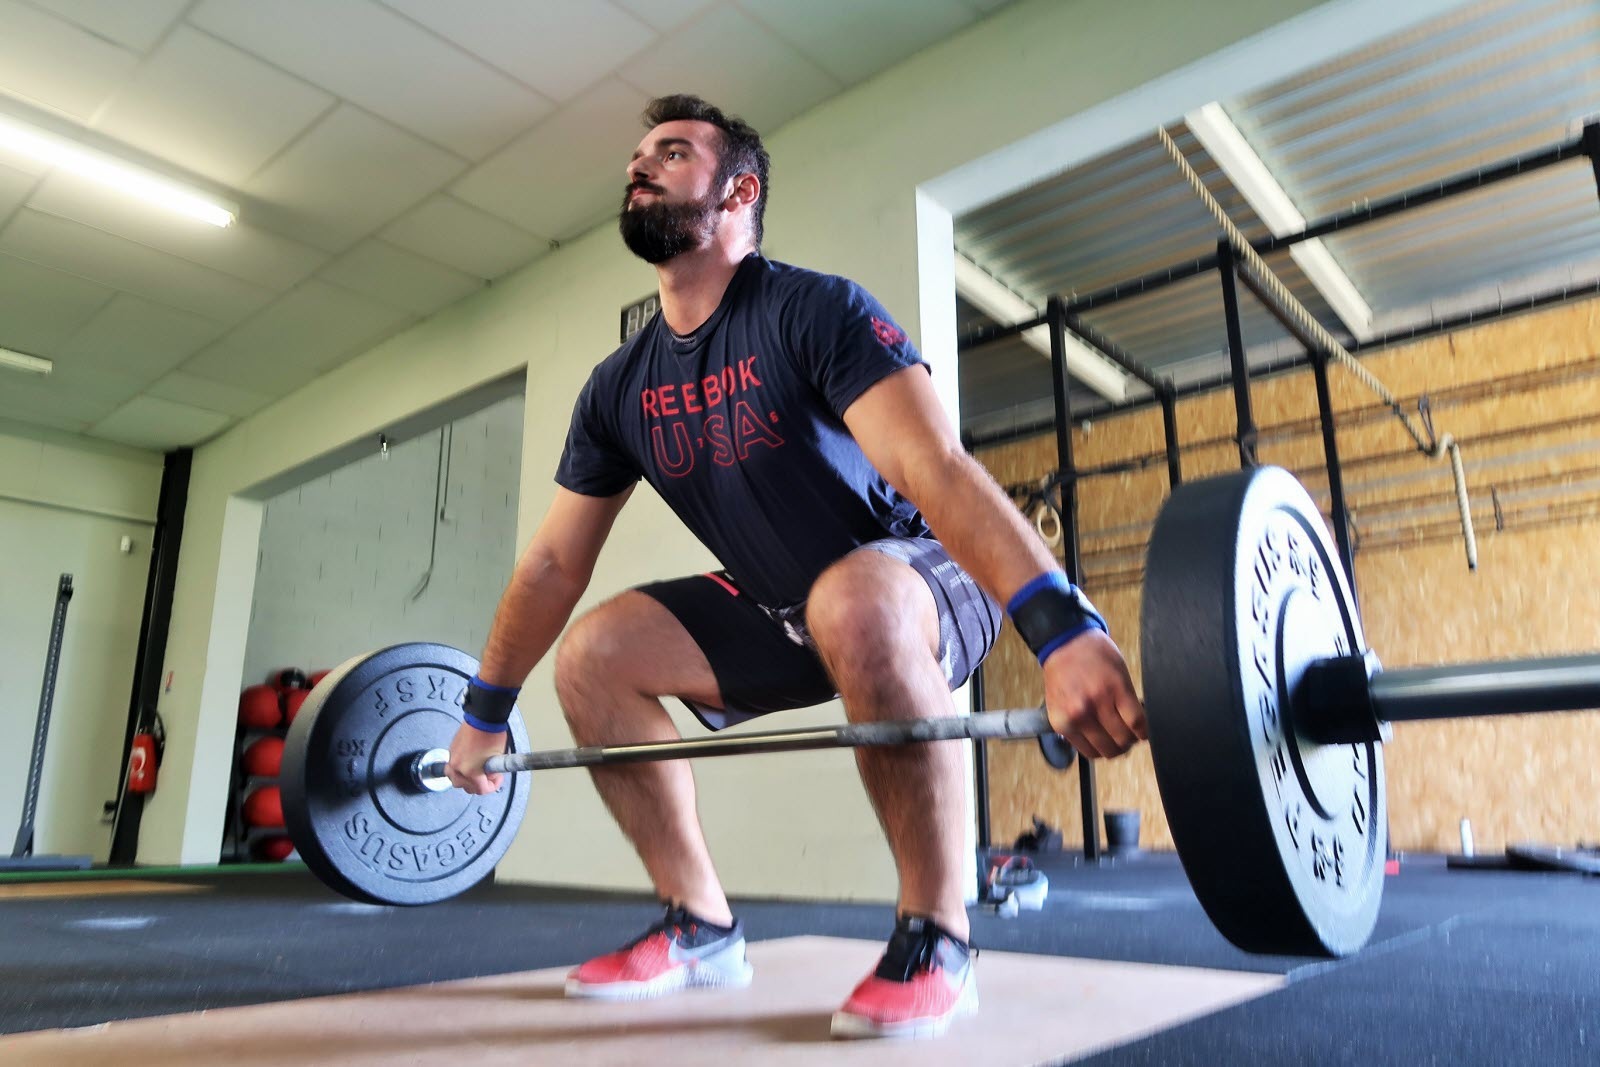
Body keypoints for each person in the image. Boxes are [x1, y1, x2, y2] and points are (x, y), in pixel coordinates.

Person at [445, 94, 1146, 1040]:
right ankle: (699, 924)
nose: (637, 166)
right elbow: (551, 564)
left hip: (922, 571)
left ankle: (940, 934)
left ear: (739, 188)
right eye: (637, 155)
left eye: (672, 152)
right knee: (592, 655)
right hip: (787, 607)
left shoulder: (813, 309)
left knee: (852, 595)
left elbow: (933, 467)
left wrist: (1063, 630)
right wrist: (483, 713)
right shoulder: (619, 387)